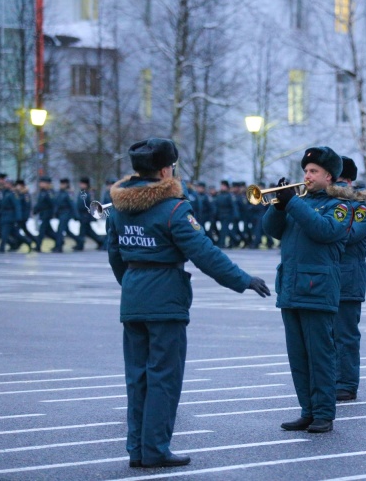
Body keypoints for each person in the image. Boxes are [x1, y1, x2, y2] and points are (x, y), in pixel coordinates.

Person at [106, 137, 270, 468]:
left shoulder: (118, 207)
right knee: (164, 377)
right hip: (166, 296)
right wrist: (243, 280)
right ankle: (155, 450)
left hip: (134, 296)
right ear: (166, 169)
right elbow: (204, 253)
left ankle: (137, 449)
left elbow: (115, 254)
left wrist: (133, 284)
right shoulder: (174, 208)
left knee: (137, 377)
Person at [262, 146, 350, 434]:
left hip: (318, 290)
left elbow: (323, 231)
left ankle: (324, 413)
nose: (307, 176)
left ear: (330, 176)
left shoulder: (339, 205)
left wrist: (291, 204)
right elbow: (273, 231)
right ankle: (307, 410)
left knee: (320, 355)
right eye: (306, 171)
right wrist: (277, 206)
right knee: (298, 356)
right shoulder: (297, 202)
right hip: (291, 287)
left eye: (314, 171)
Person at [334, 156, 366, 401]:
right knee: (327, 336)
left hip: (349, 279)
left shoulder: (360, 206)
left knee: (345, 335)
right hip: (329, 278)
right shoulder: (329, 203)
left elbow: (350, 235)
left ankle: (347, 383)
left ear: (346, 180)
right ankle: (331, 379)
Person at [76, 177, 105, 250]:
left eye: (82, 183)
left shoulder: (89, 193)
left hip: (86, 214)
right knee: (88, 231)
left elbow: (92, 204)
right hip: (82, 214)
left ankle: (80, 245)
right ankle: (100, 241)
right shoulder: (82, 192)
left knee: (83, 230)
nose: (80, 185)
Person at [53, 178, 77, 252]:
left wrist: (76, 215)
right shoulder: (60, 192)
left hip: (66, 213)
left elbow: (72, 204)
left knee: (60, 230)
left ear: (66, 184)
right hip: (61, 213)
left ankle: (59, 246)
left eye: (62, 184)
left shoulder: (68, 193)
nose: (61, 185)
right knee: (66, 230)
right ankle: (80, 241)